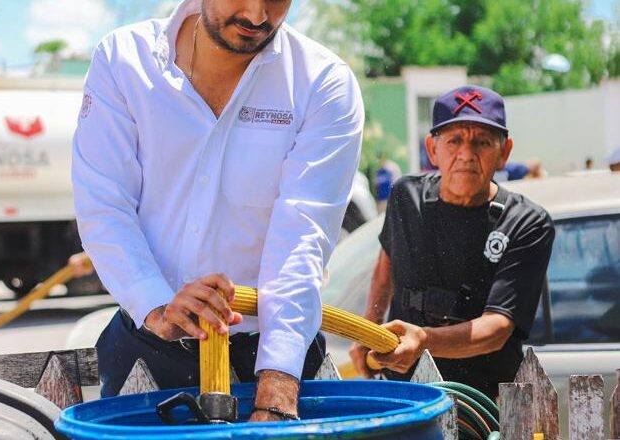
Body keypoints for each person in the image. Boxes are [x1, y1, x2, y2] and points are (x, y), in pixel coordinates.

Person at [72, 0, 363, 422]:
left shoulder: (322, 83)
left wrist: (278, 384)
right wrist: (156, 306)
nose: (256, 16)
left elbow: (303, 235)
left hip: (273, 356)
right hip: (147, 347)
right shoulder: (124, 61)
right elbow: (104, 204)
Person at [349, 85, 555, 400]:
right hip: (405, 391)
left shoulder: (526, 222)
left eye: (482, 142)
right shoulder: (406, 197)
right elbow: (383, 271)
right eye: (454, 141)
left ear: (505, 152)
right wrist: (368, 328)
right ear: (432, 150)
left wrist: (423, 340)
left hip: (484, 399)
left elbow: (498, 329)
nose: (466, 155)